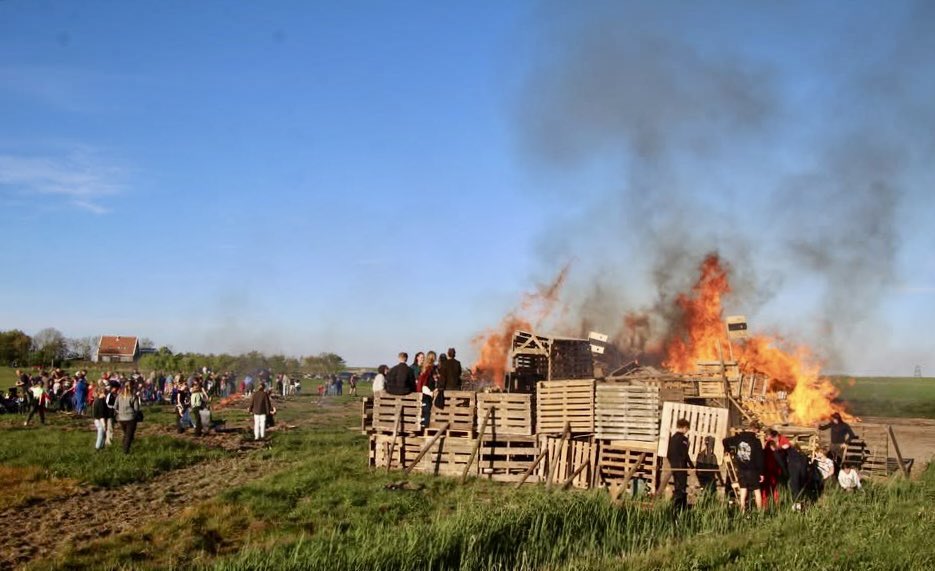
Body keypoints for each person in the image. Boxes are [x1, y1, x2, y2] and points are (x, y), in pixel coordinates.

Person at [723, 429, 765, 512]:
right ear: (755, 432)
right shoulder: (756, 441)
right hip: (753, 470)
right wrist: (761, 473)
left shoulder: (737, 438)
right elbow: (760, 458)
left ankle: (742, 512)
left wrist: (729, 450)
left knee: (743, 490)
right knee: (757, 491)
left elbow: (724, 441)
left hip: (741, 469)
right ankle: (760, 513)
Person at [667, 418, 693, 511]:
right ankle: (681, 507)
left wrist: (673, 463)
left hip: (674, 466)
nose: (687, 431)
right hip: (681, 466)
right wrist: (692, 466)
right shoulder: (684, 439)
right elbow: (685, 454)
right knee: (681, 487)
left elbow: (668, 454)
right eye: (687, 429)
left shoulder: (672, 438)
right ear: (685, 428)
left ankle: (674, 507)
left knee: (677, 486)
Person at [113, 383, 141, 454]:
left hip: (121, 419)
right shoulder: (133, 397)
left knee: (126, 434)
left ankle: (124, 447)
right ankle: (125, 451)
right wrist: (134, 415)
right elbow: (136, 409)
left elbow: (115, 406)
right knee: (129, 435)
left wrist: (120, 412)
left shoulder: (119, 396)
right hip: (130, 418)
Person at [416, 351, 438, 428]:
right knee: (427, 410)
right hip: (427, 391)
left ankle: (422, 425)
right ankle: (425, 426)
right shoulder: (430, 368)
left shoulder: (423, 367)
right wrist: (433, 389)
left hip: (423, 391)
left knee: (424, 409)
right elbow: (428, 381)